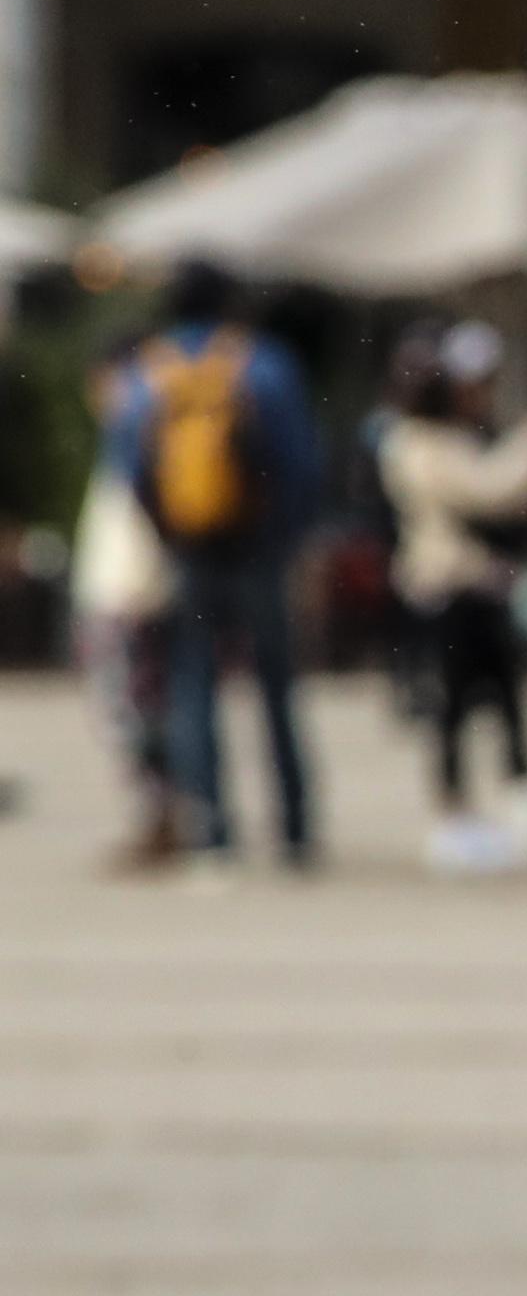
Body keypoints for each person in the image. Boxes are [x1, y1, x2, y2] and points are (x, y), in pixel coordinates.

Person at [117, 260, 322, 871]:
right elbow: (302, 464)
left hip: (190, 548)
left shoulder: (150, 373)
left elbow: (129, 469)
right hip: (259, 545)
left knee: (193, 686)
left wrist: (169, 536)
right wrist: (287, 538)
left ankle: (212, 829)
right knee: (277, 688)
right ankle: (294, 827)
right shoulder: (264, 364)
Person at [381, 322, 527, 874]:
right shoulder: (423, 443)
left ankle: (514, 804)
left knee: (502, 699)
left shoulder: (436, 438)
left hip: (476, 587)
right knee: (458, 706)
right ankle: (457, 816)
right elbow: (490, 492)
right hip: (451, 588)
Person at [71, 347, 180, 874]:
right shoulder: (153, 415)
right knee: (146, 706)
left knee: (132, 711)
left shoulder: (134, 417)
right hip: (139, 588)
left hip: (125, 591)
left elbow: (132, 519)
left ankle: (158, 817)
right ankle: (163, 814)